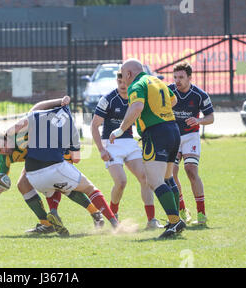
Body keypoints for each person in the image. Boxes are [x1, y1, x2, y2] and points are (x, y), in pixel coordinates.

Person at [0, 97, 104, 235]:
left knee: (64, 185)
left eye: (3, 147)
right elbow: (2, 179)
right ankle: (46, 223)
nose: (3, 151)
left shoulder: (19, 132)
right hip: (35, 163)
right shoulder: (4, 158)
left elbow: (37, 108)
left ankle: (94, 212)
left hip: (56, 152)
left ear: (7, 137)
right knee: (22, 185)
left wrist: (60, 101)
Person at [109, 58, 185, 239]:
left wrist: (120, 129)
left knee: (153, 179)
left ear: (129, 74)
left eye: (123, 75)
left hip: (156, 133)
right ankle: (177, 219)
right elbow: (172, 101)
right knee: (168, 178)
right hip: (173, 129)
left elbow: (136, 107)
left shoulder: (137, 84)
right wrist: (158, 110)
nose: (123, 79)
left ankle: (174, 222)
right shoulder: (157, 81)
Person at [91, 71, 163, 229]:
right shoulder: (108, 99)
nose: (123, 85)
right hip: (111, 144)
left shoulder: (136, 97)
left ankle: (151, 220)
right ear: (117, 81)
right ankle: (114, 216)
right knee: (121, 182)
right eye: (120, 82)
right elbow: (94, 125)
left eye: (125, 82)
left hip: (130, 143)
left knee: (145, 178)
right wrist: (101, 149)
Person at [169, 62, 214, 226]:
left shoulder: (199, 94)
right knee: (171, 174)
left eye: (181, 77)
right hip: (173, 137)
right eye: (175, 77)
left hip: (190, 136)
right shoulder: (168, 92)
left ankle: (201, 214)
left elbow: (211, 118)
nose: (177, 80)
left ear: (189, 77)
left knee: (191, 170)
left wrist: (198, 120)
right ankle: (182, 210)